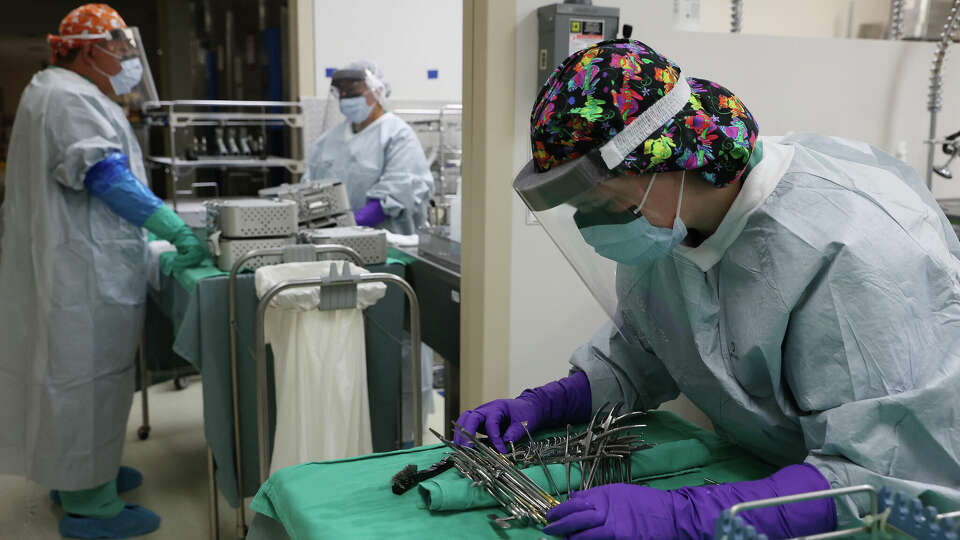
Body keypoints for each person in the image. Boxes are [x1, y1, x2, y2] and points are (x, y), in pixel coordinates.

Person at [455, 39, 960, 539]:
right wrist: (546, 404)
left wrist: (686, 516)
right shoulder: (668, 231)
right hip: (782, 479)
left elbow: (885, 472)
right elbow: (650, 348)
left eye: (606, 205)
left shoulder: (855, 251)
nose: (597, 227)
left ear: (669, 158)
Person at [0, 4, 205, 538]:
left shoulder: (65, 90)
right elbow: (104, 174)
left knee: (91, 380)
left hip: (83, 263)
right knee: (82, 381)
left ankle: (85, 473)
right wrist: (172, 227)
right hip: (79, 273)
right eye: (118, 47)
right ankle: (87, 500)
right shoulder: (66, 95)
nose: (126, 57)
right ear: (90, 49)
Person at [302, 60, 434, 234]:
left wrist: (352, 226)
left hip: (386, 243)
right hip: (330, 240)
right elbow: (309, 189)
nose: (346, 98)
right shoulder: (327, 141)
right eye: (341, 92)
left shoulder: (397, 135)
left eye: (353, 91)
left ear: (377, 91)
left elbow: (399, 192)